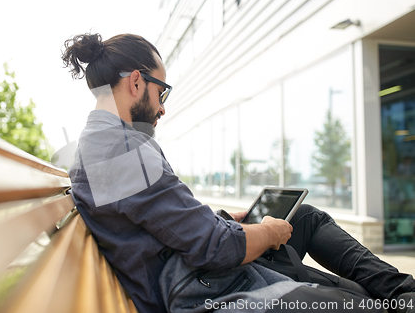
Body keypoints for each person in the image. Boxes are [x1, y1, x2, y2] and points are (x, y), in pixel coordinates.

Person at [63, 33, 415, 313]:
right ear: (136, 82)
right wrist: (264, 230)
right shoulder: (123, 151)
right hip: (202, 291)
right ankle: (397, 296)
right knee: (360, 305)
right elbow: (216, 249)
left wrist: (222, 218)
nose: (162, 107)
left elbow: (159, 220)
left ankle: (403, 293)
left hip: (198, 274)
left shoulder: (106, 142)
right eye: (162, 91)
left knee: (303, 217)